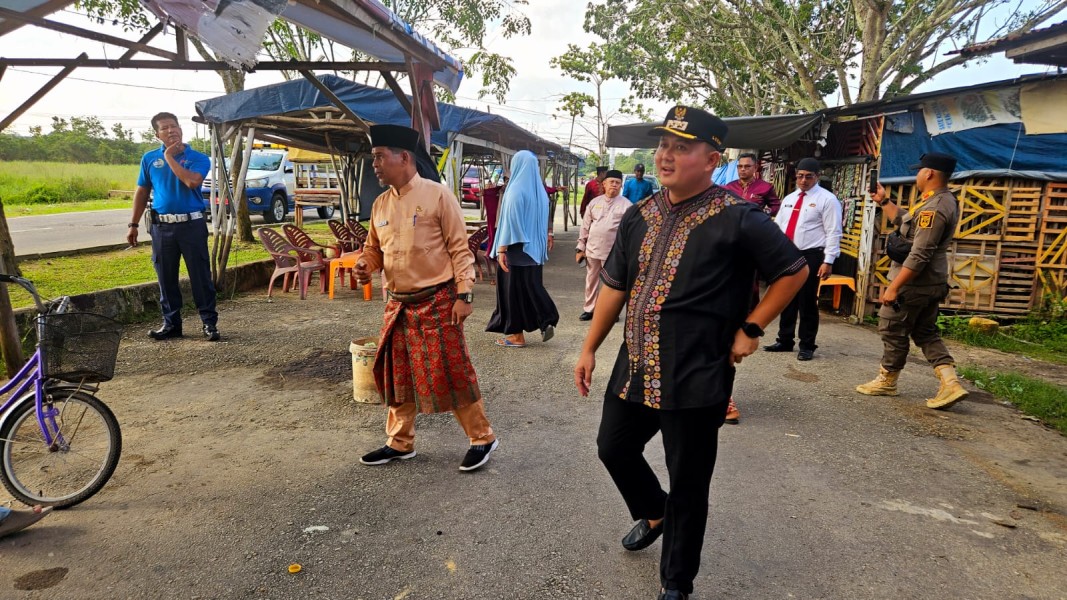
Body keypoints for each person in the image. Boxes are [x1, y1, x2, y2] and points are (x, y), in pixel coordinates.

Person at [574, 105, 808, 600]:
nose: (665, 155)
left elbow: (794, 270)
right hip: (635, 364)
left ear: (711, 158)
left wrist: (753, 326)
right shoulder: (642, 214)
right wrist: (589, 346)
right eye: (663, 145)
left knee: (689, 480)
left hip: (698, 369)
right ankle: (654, 511)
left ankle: (676, 582)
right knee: (612, 447)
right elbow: (616, 285)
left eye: (681, 147)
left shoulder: (739, 217)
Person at [354, 124, 499, 473]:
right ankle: (399, 443)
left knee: (451, 371)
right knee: (397, 372)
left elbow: (459, 250)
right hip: (398, 304)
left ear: (403, 157)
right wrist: (364, 264)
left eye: (379, 157)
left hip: (438, 300)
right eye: (372, 158)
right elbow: (373, 249)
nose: (374, 164)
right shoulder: (380, 204)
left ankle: (482, 438)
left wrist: (464, 295)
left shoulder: (437, 196)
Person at [857, 153, 969, 410]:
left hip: (916, 282)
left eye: (920, 171)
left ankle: (887, 379)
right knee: (925, 331)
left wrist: (894, 287)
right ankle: (950, 383)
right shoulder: (937, 201)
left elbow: (921, 253)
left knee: (891, 325)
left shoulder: (936, 207)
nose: (917, 175)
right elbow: (908, 222)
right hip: (931, 281)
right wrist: (884, 201)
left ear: (929, 173)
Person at [128, 112, 220, 342]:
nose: (171, 131)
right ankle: (171, 324)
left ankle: (209, 323)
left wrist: (169, 157)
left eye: (174, 126)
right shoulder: (149, 159)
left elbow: (192, 182)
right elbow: (142, 191)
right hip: (162, 228)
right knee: (165, 277)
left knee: (200, 276)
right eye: (165, 128)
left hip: (192, 225)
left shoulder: (198, 158)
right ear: (156, 134)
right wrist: (133, 224)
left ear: (181, 128)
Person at [763, 157, 842, 361]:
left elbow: (834, 231)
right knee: (786, 297)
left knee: (807, 300)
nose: (803, 180)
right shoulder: (789, 199)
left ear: (817, 176)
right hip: (787, 254)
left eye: (808, 176)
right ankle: (785, 340)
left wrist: (829, 260)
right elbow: (778, 228)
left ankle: (807, 344)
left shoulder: (827, 199)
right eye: (800, 176)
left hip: (811, 254)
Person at [486, 150, 561, 348]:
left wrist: (501, 250)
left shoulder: (516, 190)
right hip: (534, 251)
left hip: (515, 249)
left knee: (511, 294)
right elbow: (546, 219)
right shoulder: (540, 192)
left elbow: (510, 222)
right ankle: (545, 319)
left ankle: (516, 335)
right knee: (530, 288)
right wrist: (549, 234)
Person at [576, 169, 629, 321]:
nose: (614, 185)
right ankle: (590, 309)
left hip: (613, 253)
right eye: (611, 182)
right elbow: (585, 227)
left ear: (621, 185)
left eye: (617, 183)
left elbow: (629, 232)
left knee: (611, 284)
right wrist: (580, 248)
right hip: (593, 250)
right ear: (604, 184)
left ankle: (611, 312)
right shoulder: (594, 203)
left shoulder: (627, 206)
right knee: (591, 280)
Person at [723, 152, 781, 217]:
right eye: (740, 166)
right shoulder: (729, 186)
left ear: (755, 168)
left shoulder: (765, 187)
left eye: (747, 166)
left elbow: (777, 206)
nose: (742, 169)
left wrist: (763, 212)